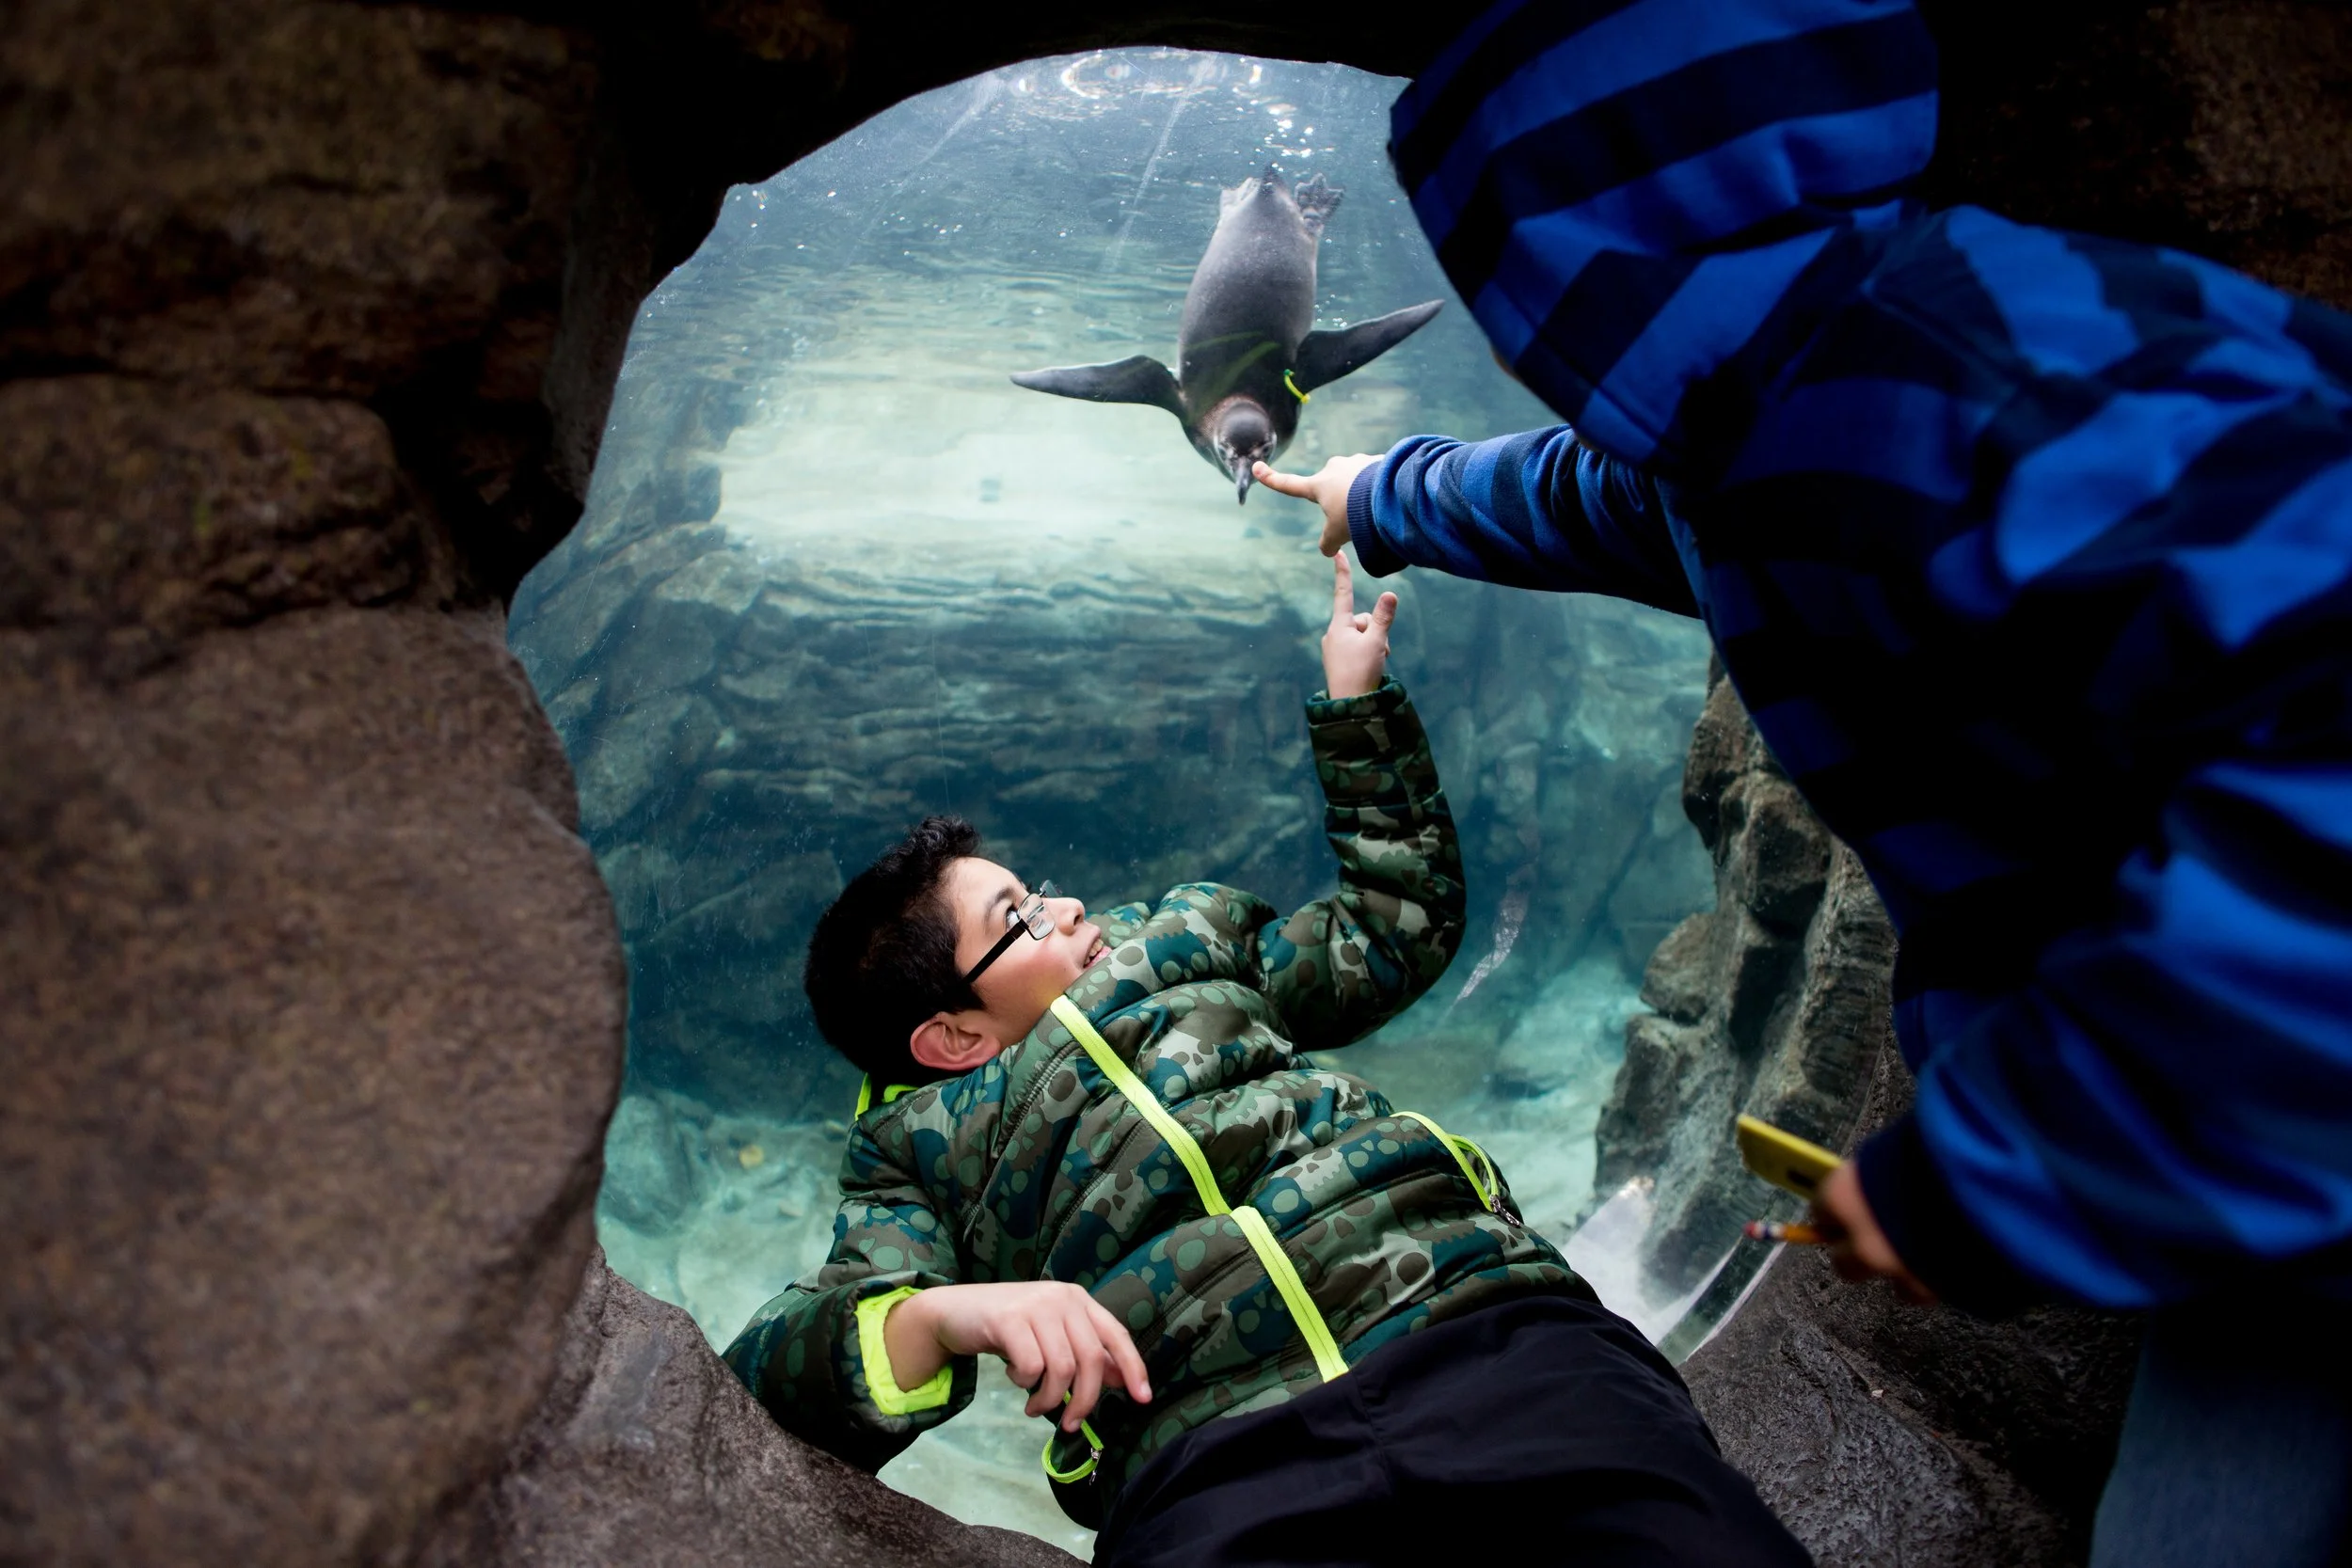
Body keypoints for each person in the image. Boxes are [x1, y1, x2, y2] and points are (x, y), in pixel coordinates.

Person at [1253, 1, 2352, 1562]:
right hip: (2257, 1161)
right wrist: (1390, 492)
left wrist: (2000, 1167)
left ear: (1579, 240)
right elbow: (1603, 502)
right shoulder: (1764, 419)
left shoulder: (1989, 385)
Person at [723, 556, 1809, 1567]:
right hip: (1213, 1458)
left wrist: (1355, 708)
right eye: (1018, 914)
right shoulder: (911, 1151)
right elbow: (771, 1376)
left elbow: (1392, 926)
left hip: (1481, 1325)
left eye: (1037, 886)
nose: (1064, 906)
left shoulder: (1184, 941)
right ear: (951, 1036)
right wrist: (946, 1314)